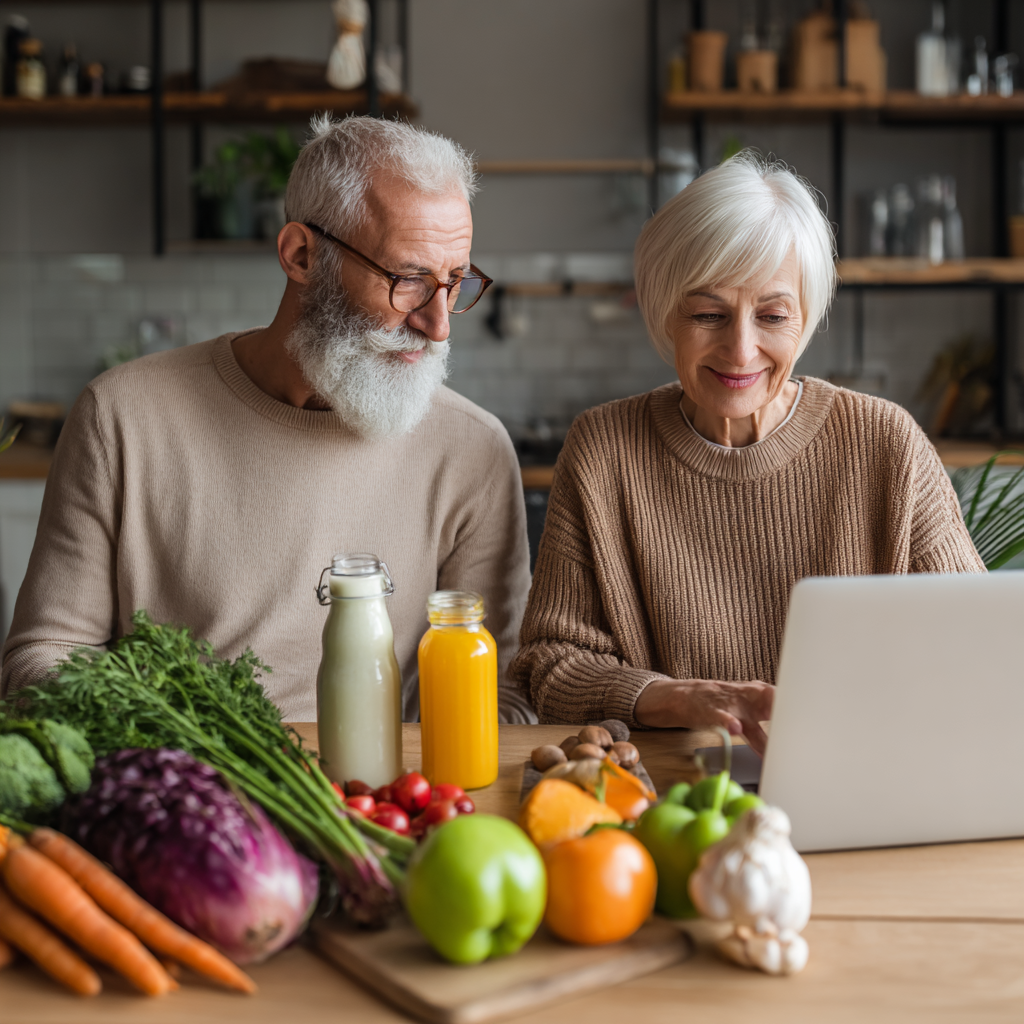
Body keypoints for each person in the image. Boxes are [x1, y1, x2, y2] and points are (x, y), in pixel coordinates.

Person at [2, 115, 536, 724]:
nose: (438, 326)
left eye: (455, 281)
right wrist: (175, 753)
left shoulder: (473, 449)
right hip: (182, 770)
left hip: (390, 782)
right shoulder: (120, 417)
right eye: (409, 280)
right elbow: (45, 655)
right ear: (302, 255)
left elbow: (503, 695)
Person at [510, 152, 984, 753]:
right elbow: (552, 666)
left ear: (805, 318)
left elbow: (976, 644)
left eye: (772, 315)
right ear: (664, 313)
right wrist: (681, 698)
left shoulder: (886, 443)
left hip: (861, 770)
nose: (740, 349)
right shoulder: (603, 450)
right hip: (671, 788)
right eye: (708, 314)